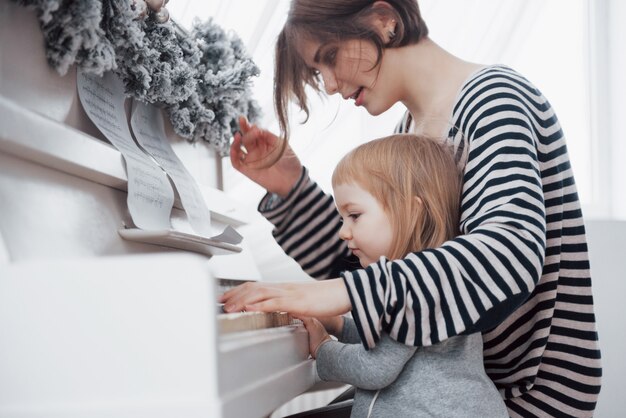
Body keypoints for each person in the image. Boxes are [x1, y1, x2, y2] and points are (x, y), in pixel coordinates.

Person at [220, 1, 603, 416]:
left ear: (385, 20)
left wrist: (340, 295)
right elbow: (382, 286)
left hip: (518, 398)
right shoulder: (411, 132)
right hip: (440, 384)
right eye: (318, 71)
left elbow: (506, 256)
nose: (330, 84)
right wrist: (293, 191)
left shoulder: (495, 101)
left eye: (329, 57)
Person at [300, 133, 509, 417]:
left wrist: (323, 349)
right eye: (341, 218)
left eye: (355, 216)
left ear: (411, 211)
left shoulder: (417, 290)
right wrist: (338, 324)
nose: (342, 231)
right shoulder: (420, 279)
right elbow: (386, 338)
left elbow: (375, 367)